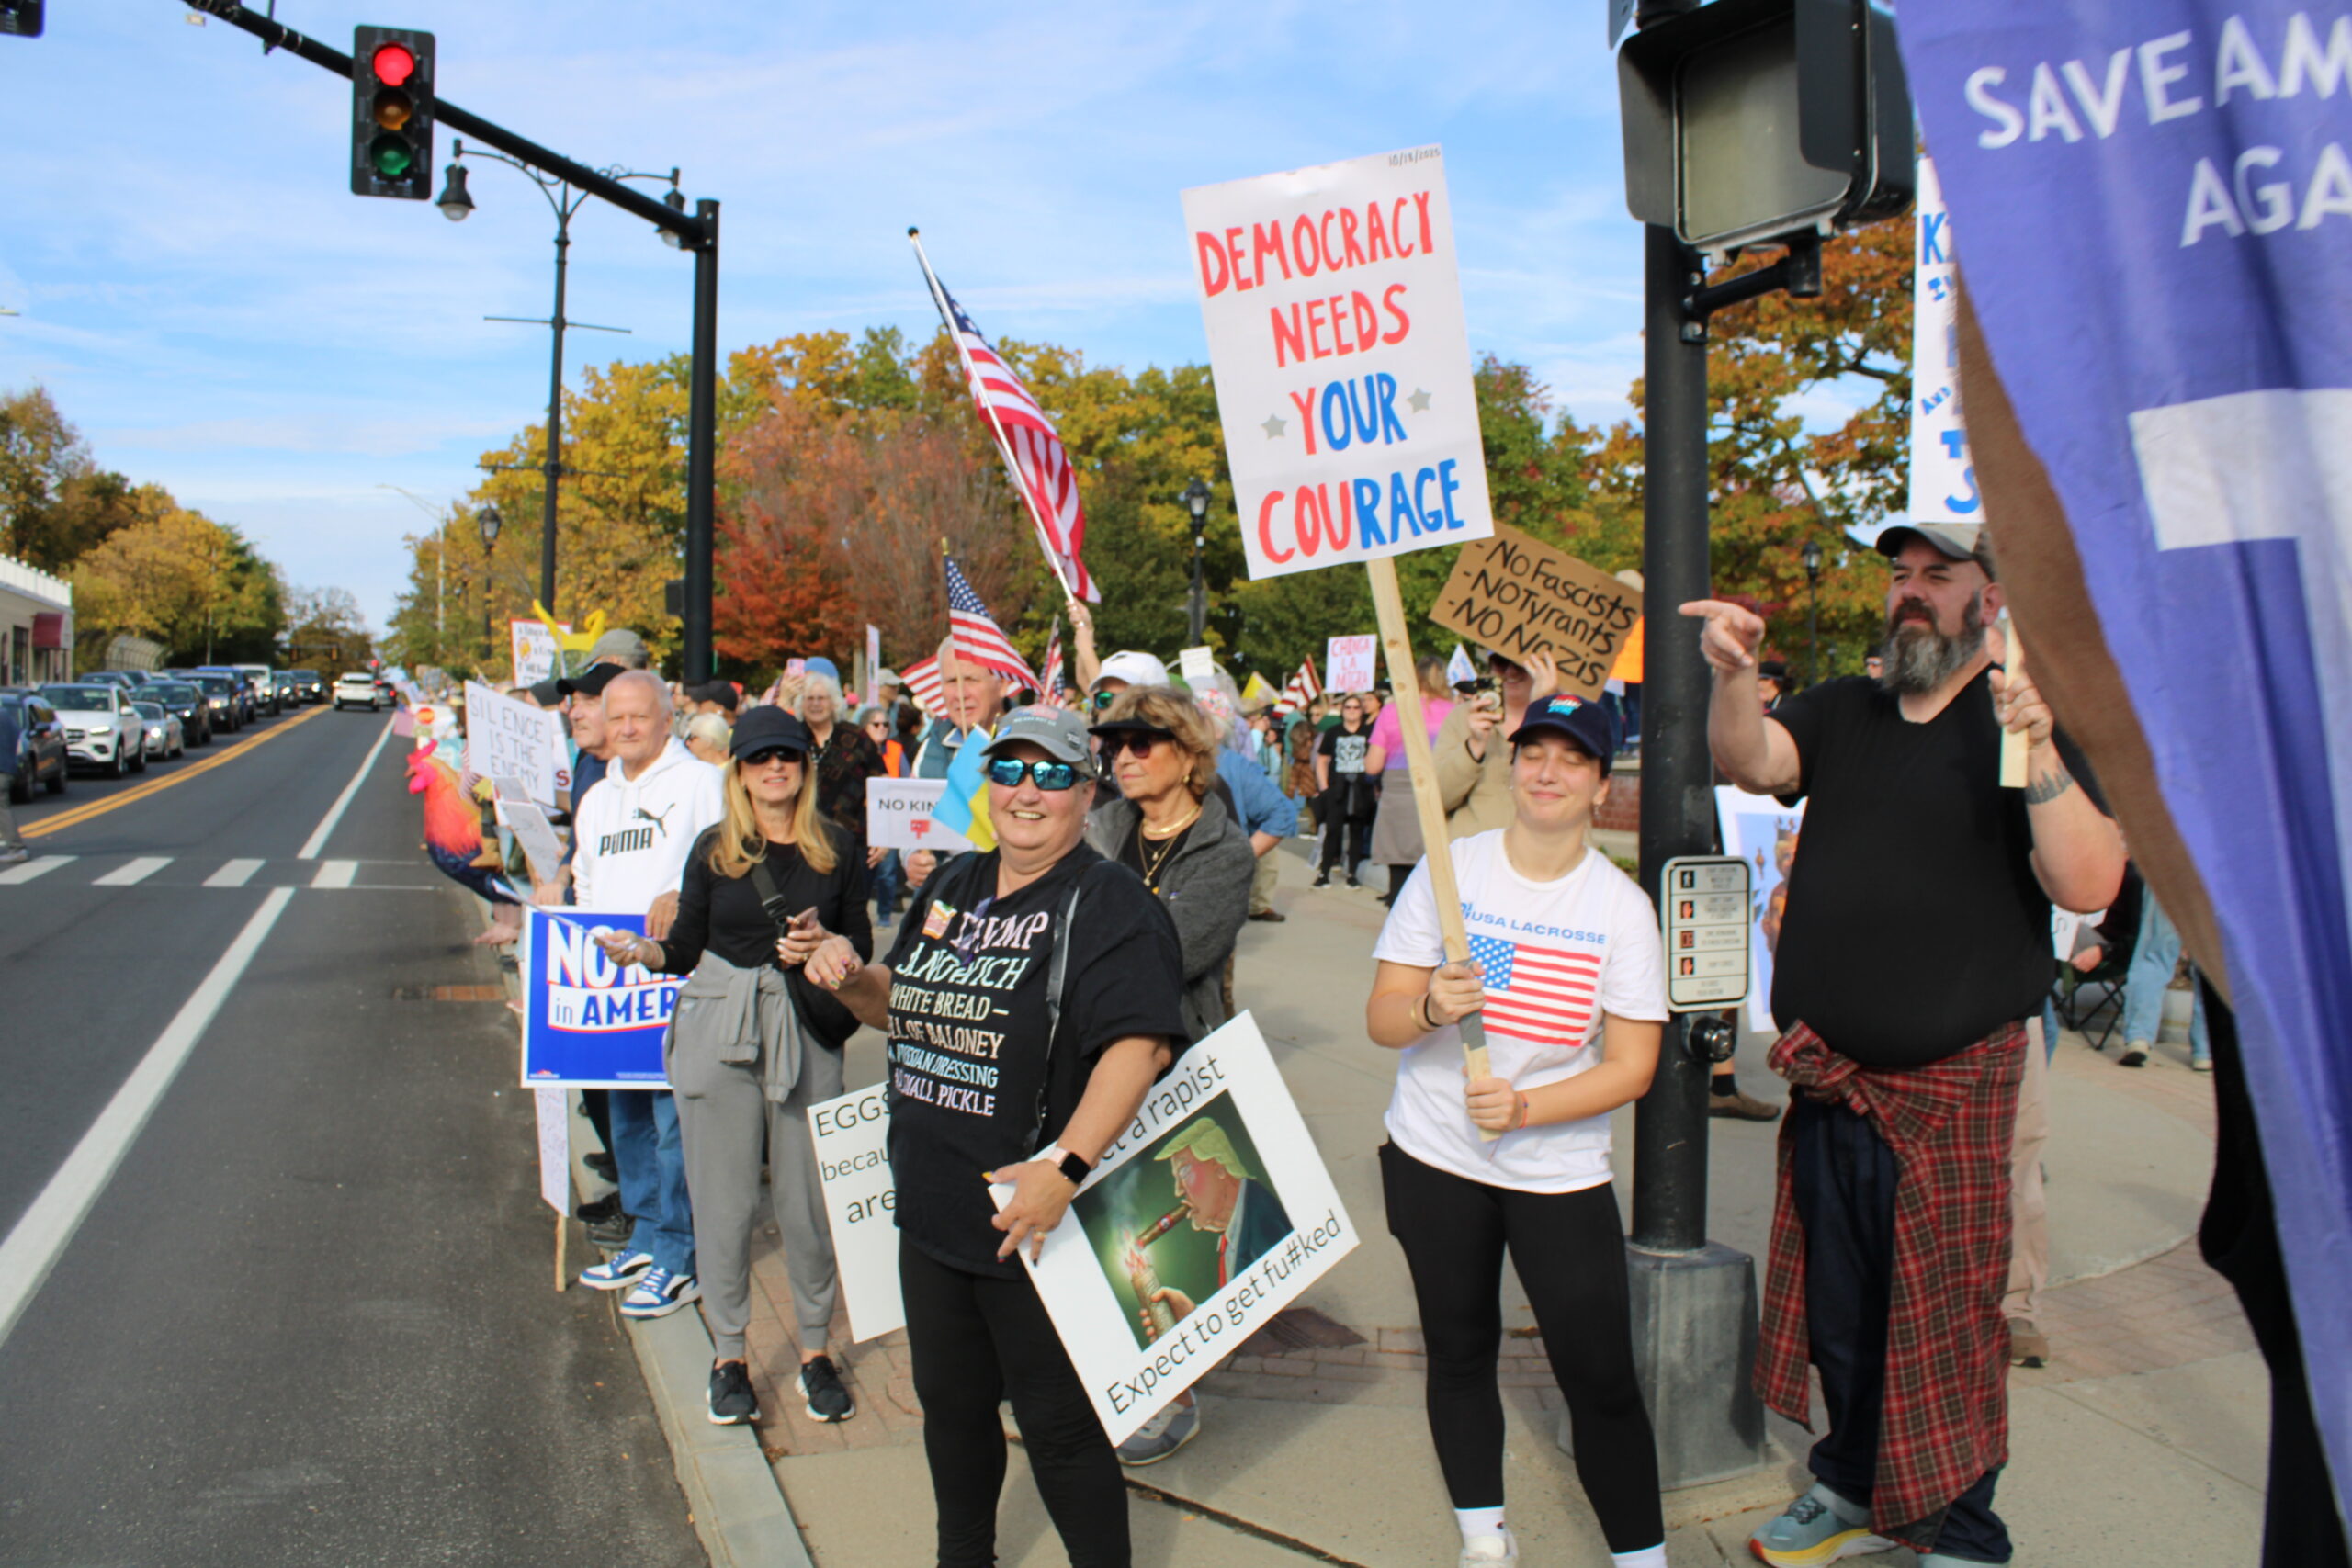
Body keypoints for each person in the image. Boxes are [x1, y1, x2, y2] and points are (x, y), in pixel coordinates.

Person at [1684, 521, 2123, 1568]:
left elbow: (2090, 885)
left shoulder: (2024, 722)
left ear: (1990, 595)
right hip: (1835, 1078)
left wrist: (2045, 748)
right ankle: (1848, 1484)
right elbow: (1748, 761)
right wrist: (1734, 675)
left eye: (1939, 575)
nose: (1913, 593)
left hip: (1956, 1084)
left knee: (1947, 1320)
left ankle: (1962, 1529)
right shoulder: (1846, 707)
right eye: (1900, 575)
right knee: (1842, 1302)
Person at [804, 706, 1187, 1568]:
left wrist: (1064, 1164)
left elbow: (1140, 1044)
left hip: (1034, 1214)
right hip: (934, 1204)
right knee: (952, 1407)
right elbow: (898, 1002)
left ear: (1085, 794)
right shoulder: (954, 884)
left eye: (1052, 775)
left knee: (1058, 1428)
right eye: (1010, 771)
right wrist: (846, 969)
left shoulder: (1110, 900)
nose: (1026, 791)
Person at [1365, 692, 1668, 1568]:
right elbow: (1382, 1017)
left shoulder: (1620, 908)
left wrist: (1529, 1106)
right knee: (1460, 1350)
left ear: (1602, 784)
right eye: (1534, 751)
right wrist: (1428, 1004)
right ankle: (1483, 1536)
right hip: (1435, 1156)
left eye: (1572, 758)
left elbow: (1633, 1066)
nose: (1547, 771)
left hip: (1556, 1171)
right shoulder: (1452, 872)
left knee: (1601, 1375)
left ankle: (1640, 1559)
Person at [596, 705, 868, 1427]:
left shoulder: (837, 848)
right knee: (721, 1204)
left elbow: (862, 947)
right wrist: (642, 952)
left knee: (806, 1206)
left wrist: (827, 943)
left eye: (787, 755)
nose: (774, 767)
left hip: (804, 1030)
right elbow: (683, 946)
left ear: (804, 767)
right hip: (718, 1025)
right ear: (739, 772)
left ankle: (815, 1350)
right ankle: (729, 1356)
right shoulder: (715, 850)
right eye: (758, 758)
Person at [1081, 687, 1257, 1468]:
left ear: (1189, 755)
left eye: (1142, 741)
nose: (1122, 754)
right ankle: (1098, 1375)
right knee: (1095, 1220)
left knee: (1155, 1232)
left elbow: (1172, 956)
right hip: (1087, 1051)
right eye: (1114, 741)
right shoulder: (1102, 825)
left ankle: (1172, 1396)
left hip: (1174, 1061)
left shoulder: (1221, 851)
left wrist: (1084, 945)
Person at [553, 670, 729, 1322]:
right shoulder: (597, 797)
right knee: (625, 1113)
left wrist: (687, 896)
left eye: (639, 717)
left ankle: (681, 1256)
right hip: (613, 985)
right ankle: (650, 1234)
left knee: (671, 1121)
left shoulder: (701, 784)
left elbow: (730, 863)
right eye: (617, 716)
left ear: (666, 719)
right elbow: (589, 884)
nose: (627, 727)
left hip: (677, 977)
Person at [1432, 651, 1561, 840]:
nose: (1510, 671)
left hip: (1546, 855)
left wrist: (1544, 712)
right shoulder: (1461, 718)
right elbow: (1436, 798)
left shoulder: (1565, 715)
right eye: (1500, 662)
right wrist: (1474, 746)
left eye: (1519, 663)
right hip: (1474, 859)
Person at [1365, 655, 1455, 906]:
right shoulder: (1455, 712)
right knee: (1437, 884)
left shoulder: (1393, 710)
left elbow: (1373, 764)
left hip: (1398, 798)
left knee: (1400, 883)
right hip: (1441, 795)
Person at [2117, 886, 2210, 1072]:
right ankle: (2205, 1050)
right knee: (2211, 961)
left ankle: (2139, 1039)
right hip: (2217, 867)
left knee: (2154, 953)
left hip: (2169, 865)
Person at [797, 671, 886, 855]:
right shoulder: (794, 737)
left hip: (854, 841)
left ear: (834, 702)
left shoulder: (855, 736)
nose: (815, 704)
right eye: (809, 698)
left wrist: (883, 837)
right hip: (802, 841)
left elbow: (883, 784)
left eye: (821, 698)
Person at [914, 639, 1005, 779]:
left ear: (1002, 685)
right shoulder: (930, 748)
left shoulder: (1032, 747)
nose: (961, 694)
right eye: (952, 681)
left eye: (971, 680)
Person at [1314, 694, 1377, 887]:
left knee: (1357, 831)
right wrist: (1324, 787)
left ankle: (1352, 874)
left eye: (1356, 707)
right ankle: (1324, 873)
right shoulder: (1333, 732)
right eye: (1348, 707)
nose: (1351, 711)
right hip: (1337, 789)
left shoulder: (1369, 732)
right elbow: (1322, 760)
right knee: (1332, 830)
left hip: (1361, 789)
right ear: (1342, 710)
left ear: (1361, 710)